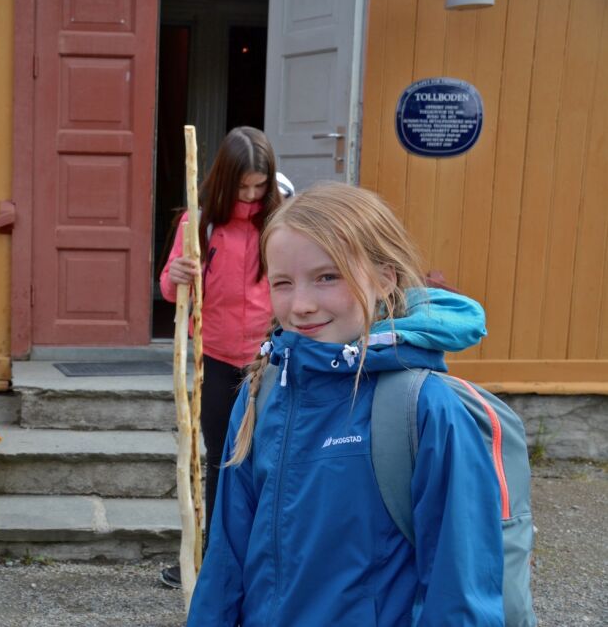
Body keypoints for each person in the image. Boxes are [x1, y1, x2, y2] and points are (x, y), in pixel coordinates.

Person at [187, 183, 504, 625]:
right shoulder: (261, 393)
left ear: (384, 278)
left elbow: (460, 591)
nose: (301, 305)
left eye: (327, 277)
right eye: (282, 283)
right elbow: (226, 557)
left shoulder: (425, 410)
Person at [158, 126, 282, 589]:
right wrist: (178, 274)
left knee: (267, 457)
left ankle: (263, 557)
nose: (251, 196)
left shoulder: (281, 223)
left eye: (260, 186)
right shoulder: (199, 224)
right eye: (244, 186)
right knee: (219, 460)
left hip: (269, 362)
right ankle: (213, 558)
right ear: (226, 181)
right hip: (216, 360)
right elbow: (170, 290)